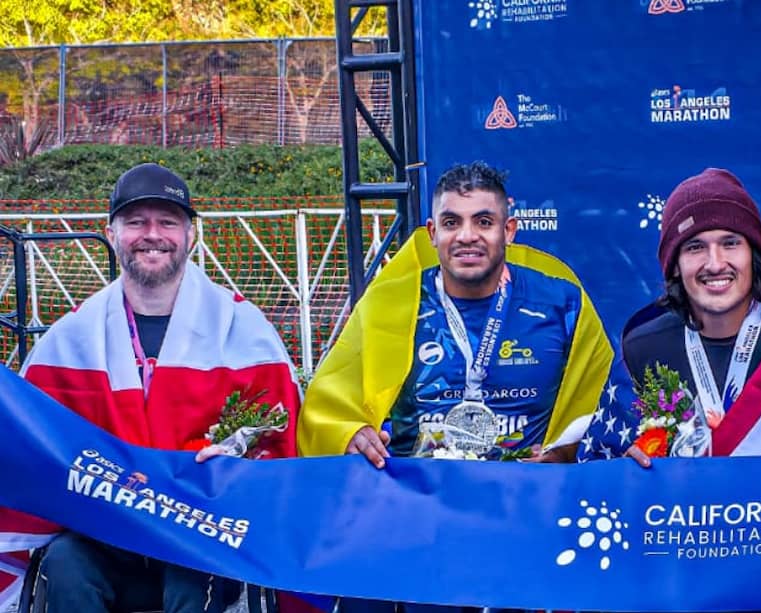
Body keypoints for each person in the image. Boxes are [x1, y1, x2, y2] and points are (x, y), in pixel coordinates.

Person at [15, 163, 301, 612]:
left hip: (200, 531)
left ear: (190, 235)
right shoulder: (69, 340)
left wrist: (234, 468)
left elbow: (282, 442)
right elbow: (30, 444)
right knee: (64, 564)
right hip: (105, 532)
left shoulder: (243, 331)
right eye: (136, 222)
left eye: (167, 222)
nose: (152, 235)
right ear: (111, 234)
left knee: (197, 568)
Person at [298, 160, 613, 468]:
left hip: (526, 491)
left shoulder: (562, 303)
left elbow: (603, 406)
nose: (466, 236)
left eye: (483, 222)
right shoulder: (390, 303)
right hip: (419, 493)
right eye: (451, 223)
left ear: (508, 231)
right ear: (432, 232)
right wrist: (351, 433)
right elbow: (330, 409)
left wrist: (565, 452)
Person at [580, 168, 761, 462]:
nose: (715, 264)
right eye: (695, 247)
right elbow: (600, 460)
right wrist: (624, 464)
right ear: (675, 266)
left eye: (730, 243)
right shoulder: (643, 348)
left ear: (753, 255)